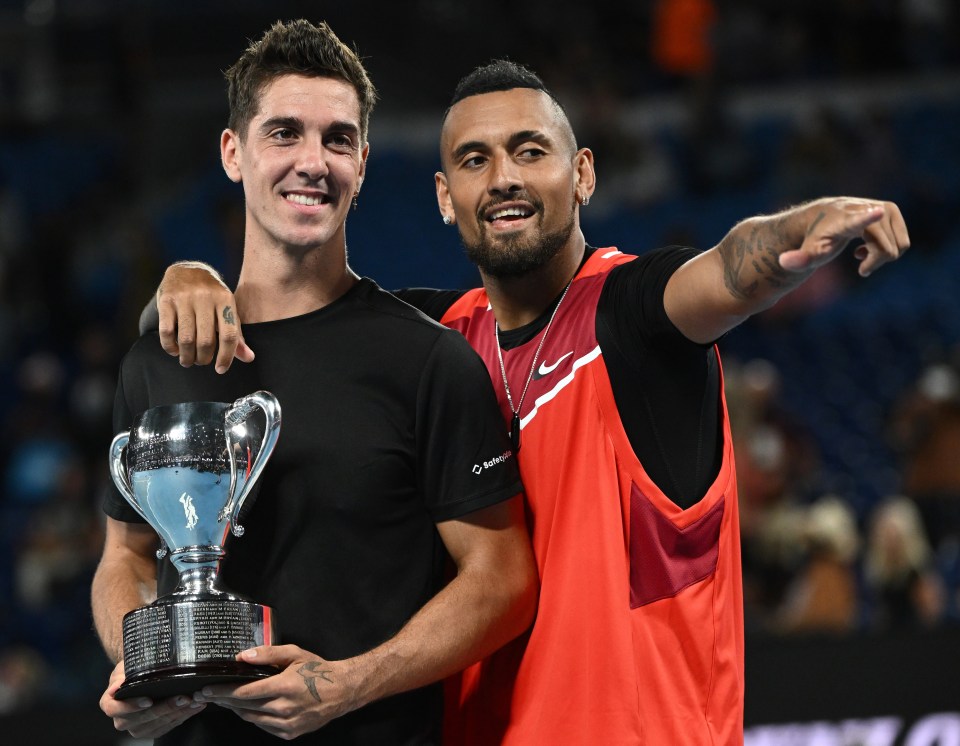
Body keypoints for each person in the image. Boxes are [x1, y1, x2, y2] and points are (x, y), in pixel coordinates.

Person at [146, 60, 910, 745]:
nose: (503, 177)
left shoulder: (635, 314)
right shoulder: (435, 340)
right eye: (475, 161)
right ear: (446, 198)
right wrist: (186, 280)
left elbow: (730, 273)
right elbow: (278, 317)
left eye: (529, 151)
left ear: (582, 175)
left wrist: (804, 228)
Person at [92, 22, 539, 746]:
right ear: (233, 153)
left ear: (363, 163)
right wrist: (138, 660)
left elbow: (504, 578)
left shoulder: (428, 361)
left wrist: (348, 684)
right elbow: (124, 556)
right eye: (284, 134)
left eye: (337, 140)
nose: (313, 162)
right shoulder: (157, 358)